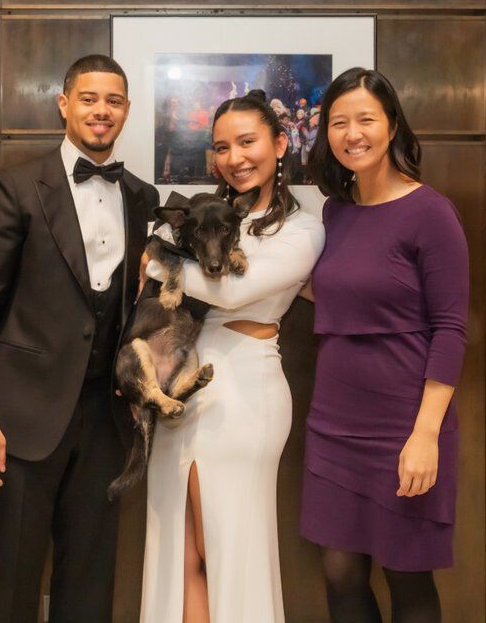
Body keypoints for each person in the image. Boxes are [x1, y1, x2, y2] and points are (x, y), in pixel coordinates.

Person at [0, 54, 160, 623]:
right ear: (64, 104)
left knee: (91, 583)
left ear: (126, 111)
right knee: (14, 582)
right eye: (89, 99)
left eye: (113, 101)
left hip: (107, 418)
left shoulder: (142, 197)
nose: (101, 111)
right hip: (22, 419)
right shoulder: (16, 186)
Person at [140, 90, 326, 623]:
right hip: (182, 384)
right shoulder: (202, 214)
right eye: (221, 147)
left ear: (281, 144)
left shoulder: (304, 227)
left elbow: (229, 293)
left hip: (246, 390)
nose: (234, 157)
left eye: (247, 142)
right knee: (182, 548)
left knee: (232, 550)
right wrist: (160, 250)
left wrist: (155, 263)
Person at [300, 68, 469, 623]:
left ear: (392, 125)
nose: (353, 133)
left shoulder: (430, 212)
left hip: (404, 422)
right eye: (339, 122)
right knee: (340, 571)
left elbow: (450, 329)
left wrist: (425, 436)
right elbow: (328, 291)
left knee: (406, 572)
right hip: (334, 419)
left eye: (366, 119)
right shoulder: (335, 212)